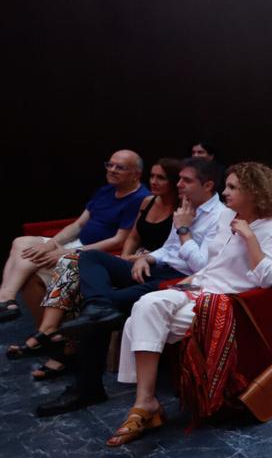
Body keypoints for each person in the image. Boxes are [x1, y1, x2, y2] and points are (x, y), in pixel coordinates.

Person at [105, 162, 272, 446]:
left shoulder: (269, 229)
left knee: (139, 319)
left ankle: (145, 403)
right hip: (200, 287)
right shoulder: (226, 216)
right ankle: (146, 401)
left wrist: (249, 237)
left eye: (232, 188)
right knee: (145, 305)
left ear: (254, 192)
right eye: (226, 186)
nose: (225, 193)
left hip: (227, 303)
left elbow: (269, 278)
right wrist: (191, 280)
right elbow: (212, 262)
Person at [35, 158, 234, 417]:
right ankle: (98, 306)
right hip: (158, 268)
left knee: (96, 312)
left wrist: (184, 228)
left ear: (207, 185)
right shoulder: (187, 206)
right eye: (179, 179)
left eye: (186, 180)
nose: (179, 185)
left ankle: (86, 387)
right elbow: (170, 249)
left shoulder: (221, 216)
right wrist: (147, 257)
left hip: (181, 281)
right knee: (87, 258)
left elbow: (201, 265)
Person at [8, 158, 180, 379]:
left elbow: (174, 250)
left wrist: (139, 258)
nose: (154, 181)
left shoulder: (181, 210)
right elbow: (133, 236)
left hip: (155, 265)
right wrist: (127, 255)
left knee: (76, 265)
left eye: (161, 178)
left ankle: (59, 343)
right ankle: (49, 332)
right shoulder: (148, 202)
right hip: (130, 259)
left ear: (174, 182)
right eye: (153, 176)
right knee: (68, 264)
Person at [0, 149, 147, 323]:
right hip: (77, 243)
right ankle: (6, 298)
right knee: (21, 242)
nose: (112, 170)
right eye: (110, 164)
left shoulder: (140, 198)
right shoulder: (106, 190)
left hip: (95, 254)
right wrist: (52, 243)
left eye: (120, 167)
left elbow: (119, 240)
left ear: (136, 174)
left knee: (32, 266)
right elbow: (78, 224)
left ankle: (40, 326)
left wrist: (70, 251)